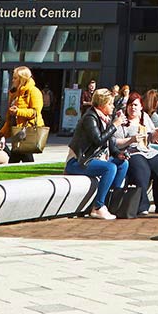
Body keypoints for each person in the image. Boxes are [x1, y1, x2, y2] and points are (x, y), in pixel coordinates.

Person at [64, 88, 124, 220]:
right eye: (110, 104)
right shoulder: (90, 117)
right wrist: (114, 126)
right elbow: (98, 140)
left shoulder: (105, 119)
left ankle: (109, 202)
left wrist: (119, 153)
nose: (112, 107)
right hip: (78, 161)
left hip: (94, 159)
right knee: (110, 168)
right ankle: (97, 207)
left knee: (122, 164)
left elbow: (110, 144)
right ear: (102, 105)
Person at [1, 65, 45, 163]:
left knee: (22, 155)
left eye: (15, 78)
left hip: (27, 130)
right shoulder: (14, 93)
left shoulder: (33, 91)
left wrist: (18, 111)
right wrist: (3, 132)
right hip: (16, 130)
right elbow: (9, 117)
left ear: (22, 79)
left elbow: (35, 112)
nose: (13, 80)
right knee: (20, 155)